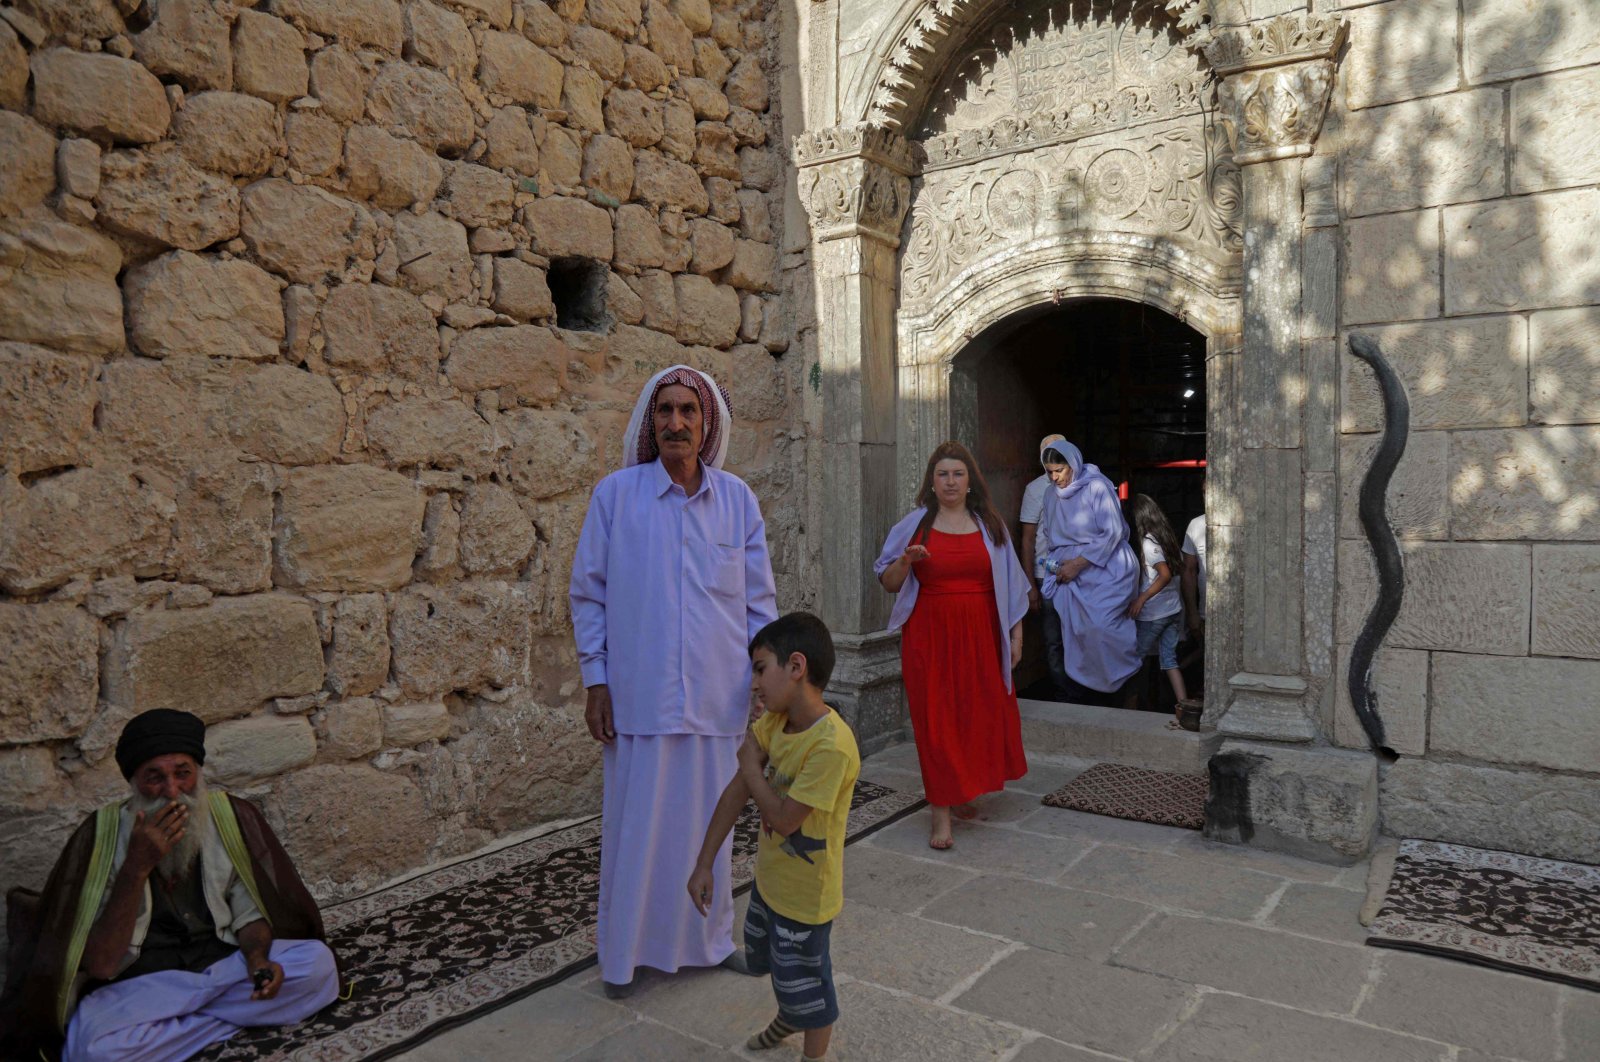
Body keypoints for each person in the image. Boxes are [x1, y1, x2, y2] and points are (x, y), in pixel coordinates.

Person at [569, 364, 779, 998]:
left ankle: (709, 944)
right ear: (651, 421)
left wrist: (766, 687)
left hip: (718, 701)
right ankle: (624, 960)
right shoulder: (615, 496)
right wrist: (596, 681)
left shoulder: (738, 500)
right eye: (665, 411)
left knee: (709, 836)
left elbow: (760, 606)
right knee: (637, 834)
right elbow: (588, 594)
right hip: (640, 698)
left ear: (706, 422)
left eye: (689, 411)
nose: (676, 422)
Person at [0, 709, 339, 1062]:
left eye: (183, 774)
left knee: (318, 966)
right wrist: (137, 866)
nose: (172, 791)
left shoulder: (224, 817)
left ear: (199, 773)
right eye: (154, 778)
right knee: (92, 1050)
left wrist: (256, 959)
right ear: (134, 783)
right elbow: (101, 965)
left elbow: (248, 914)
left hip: (220, 969)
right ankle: (228, 1017)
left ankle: (176, 1029)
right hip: (148, 985)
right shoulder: (102, 837)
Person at [688, 613, 859, 1062]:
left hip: (806, 897)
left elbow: (784, 820)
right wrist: (705, 862)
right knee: (774, 964)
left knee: (808, 983)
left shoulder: (832, 746)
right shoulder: (775, 724)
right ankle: (789, 1016)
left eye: (761, 668)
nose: (754, 685)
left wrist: (749, 764)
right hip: (770, 883)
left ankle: (812, 1052)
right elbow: (736, 792)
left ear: (796, 666)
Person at [874, 441, 1030, 850]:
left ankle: (960, 790)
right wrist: (907, 561)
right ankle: (940, 814)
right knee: (936, 723)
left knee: (974, 716)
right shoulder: (914, 525)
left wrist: (1015, 637)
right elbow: (889, 582)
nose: (950, 481)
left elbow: (1013, 587)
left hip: (981, 636)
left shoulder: (990, 525)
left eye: (957, 473)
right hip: (930, 638)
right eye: (942, 474)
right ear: (931, 481)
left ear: (970, 481)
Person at [1036, 439, 1141, 705]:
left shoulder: (1096, 487)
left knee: (1100, 628)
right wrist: (1060, 564)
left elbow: (1113, 532)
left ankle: (1120, 686)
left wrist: (1078, 563)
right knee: (1067, 633)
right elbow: (1050, 533)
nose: (1054, 477)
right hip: (1065, 569)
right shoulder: (1050, 494)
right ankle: (1076, 694)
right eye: (1049, 471)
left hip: (1104, 566)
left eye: (1059, 470)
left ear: (1073, 464)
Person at [1125, 494, 1199, 724]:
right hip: (1172, 611)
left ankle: (1130, 711)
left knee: (1133, 661)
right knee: (1169, 661)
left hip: (1154, 614)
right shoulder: (1164, 538)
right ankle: (1185, 710)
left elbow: (1165, 575)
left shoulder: (1148, 543)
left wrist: (1141, 599)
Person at [1019, 433, 1070, 699]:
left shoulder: (1083, 484)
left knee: (1081, 634)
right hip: (1045, 575)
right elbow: (1027, 540)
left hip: (1078, 575)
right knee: (1053, 639)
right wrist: (1030, 587)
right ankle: (1064, 695)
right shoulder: (1036, 489)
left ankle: (1085, 692)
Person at [1181, 513, 1207, 641]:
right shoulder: (1196, 525)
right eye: (1203, 492)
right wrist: (1192, 613)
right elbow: (1188, 570)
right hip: (1207, 613)